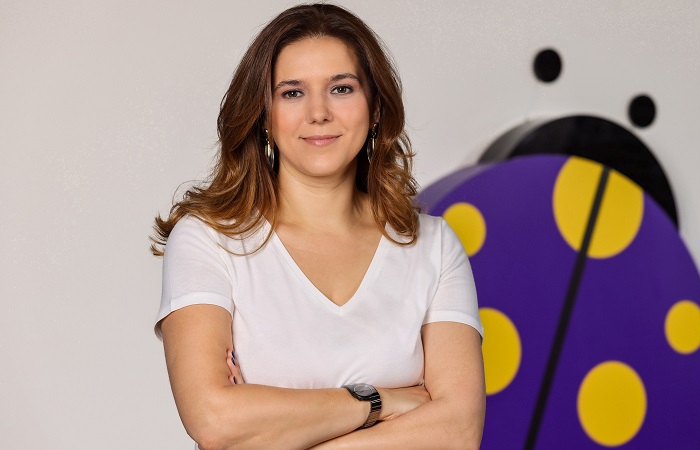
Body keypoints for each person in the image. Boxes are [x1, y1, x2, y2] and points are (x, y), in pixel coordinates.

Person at [151, 4, 485, 449]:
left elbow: (459, 431)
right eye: (292, 93)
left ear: (375, 107)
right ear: (263, 115)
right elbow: (213, 420)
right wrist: (379, 402)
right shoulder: (208, 241)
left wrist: (271, 432)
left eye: (341, 88)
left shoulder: (434, 246)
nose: (319, 112)